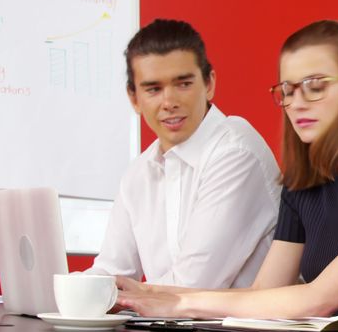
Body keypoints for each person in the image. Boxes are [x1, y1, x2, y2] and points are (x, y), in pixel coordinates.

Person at [117, 20, 338, 318]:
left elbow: (318, 299)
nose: (297, 102)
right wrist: (147, 293)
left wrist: (179, 304)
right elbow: (264, 295)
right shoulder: (301, 185)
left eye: (315, 86)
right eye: (287, 90)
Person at [86, 19, 280, 289]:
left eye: (183, 84)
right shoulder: (140, 171)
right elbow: (112, 270)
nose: (169, 102)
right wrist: (66, 292)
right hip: (175, 328)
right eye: (153, 89)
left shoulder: (235, 151)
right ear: (134, 98)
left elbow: (193, 286)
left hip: (243, 331)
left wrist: (120, 294)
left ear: (209, 83)